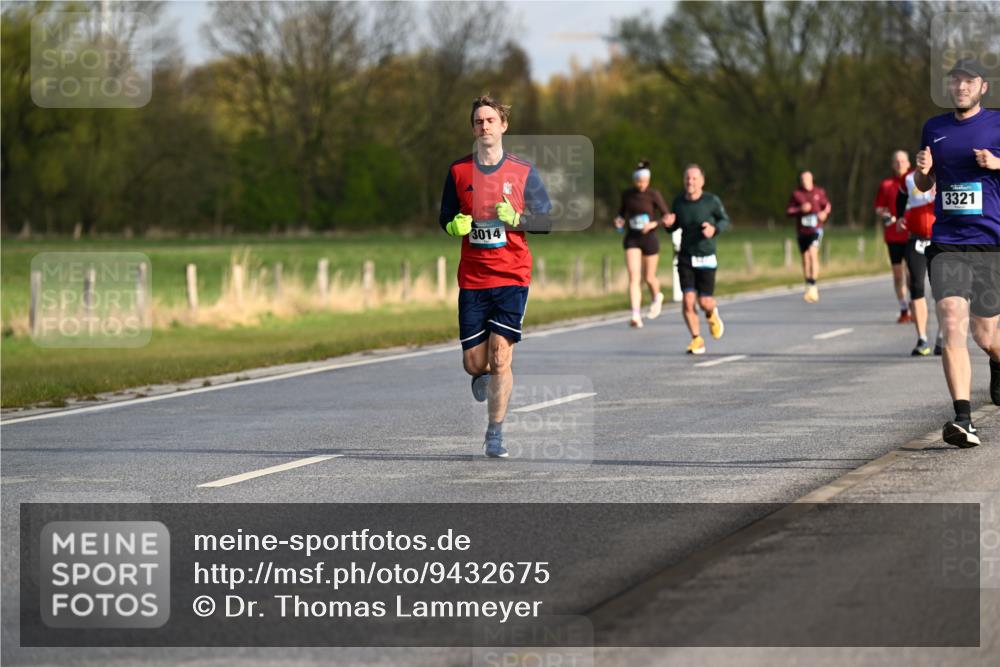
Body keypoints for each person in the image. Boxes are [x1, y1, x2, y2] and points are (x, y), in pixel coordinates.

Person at [439, 95, 552, 458]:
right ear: (472, 128)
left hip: (511, 276)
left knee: (501, 358)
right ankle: (484, 377)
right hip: (473, 279)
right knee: (475, 363)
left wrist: (517, 219)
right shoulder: (458, 171)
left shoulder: (522, 171)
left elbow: (546, 219)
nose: (484, 126)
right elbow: (445, 215)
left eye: (490, 120)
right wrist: (452, 225)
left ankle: (495, 433)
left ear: (503, 125)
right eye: (478, 121)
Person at [914, 58, 1000, 448]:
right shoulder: (934, 128)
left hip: (990, 242)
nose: (961, 87)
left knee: (986, 336)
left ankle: (995, 361)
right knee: (951, 321)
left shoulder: (998, 123)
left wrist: (997, 163)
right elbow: (924, 182)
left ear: (983, 87)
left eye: (969, 81)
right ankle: (962, 418)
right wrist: (922, 171)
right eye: (956, 81)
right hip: (947, 241)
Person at [664, 164, 730, 355]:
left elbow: (725, 220)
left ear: (702, 181)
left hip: (706, 255)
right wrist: (668, 224)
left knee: (705, 301)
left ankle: (711, 314)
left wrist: (714, 229)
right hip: (686, 256)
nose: (690, 182)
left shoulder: (711, 201)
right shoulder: (678, 202)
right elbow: (674, 225)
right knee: (687, 300)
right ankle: (697, 339)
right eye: (687, 178)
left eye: (694, 178)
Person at [614, 159, 673, 328]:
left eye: (645, 181)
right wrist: (618, 221)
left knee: (649, 277)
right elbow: (621, 214)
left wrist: (654, 224)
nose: (642, 185)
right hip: (632, 238)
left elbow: (666, 216)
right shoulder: (627, 194)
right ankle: (635, 315)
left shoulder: (653, 194)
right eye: (639, 181)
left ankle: (656, 296)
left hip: (650, 238)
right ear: (635, 180)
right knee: (634, 277)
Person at [896, 166, 937, 356]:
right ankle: (922, 339)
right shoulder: (909, 177)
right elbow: (901, 196)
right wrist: (899, 217)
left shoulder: (946, 170)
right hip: (917, 239)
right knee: (917, 285)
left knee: (944, 290)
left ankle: (944, 336)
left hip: (941, 239)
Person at [875, 150, 914, 323]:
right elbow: (879, 207)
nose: (900, 165)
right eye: (896, 162)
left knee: (912, 274)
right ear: (892, 165)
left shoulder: (914, 182)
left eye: (902, 161)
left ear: (908, 163)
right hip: (893, 236)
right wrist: (886, 215)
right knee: (898, 275)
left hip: (913, 235)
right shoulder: (886, 185)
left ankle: (916, 304)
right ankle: (903, 308)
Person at [786, 171, 832, 303]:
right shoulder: (796, 194)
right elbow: (788, 211)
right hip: (802, 231)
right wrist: (800, 209)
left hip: (816, 229)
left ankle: (813, 286)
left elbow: (828, 205)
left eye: (807, 179)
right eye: (803, 179)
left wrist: (824, 214)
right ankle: (808, 286)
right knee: (805, 259)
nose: (805, 181)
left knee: (813, 254)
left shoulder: (819, 192)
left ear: (812, 179)